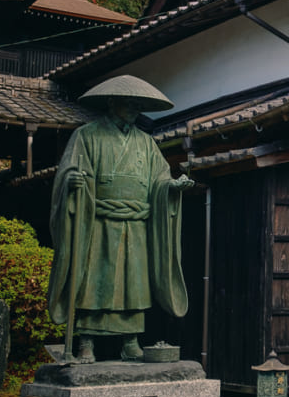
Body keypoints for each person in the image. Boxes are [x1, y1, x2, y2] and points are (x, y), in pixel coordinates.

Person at [47, 75, 193, 363]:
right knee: (92, 279)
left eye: (138, 105)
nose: (134, 109)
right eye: (129, 103)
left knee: (134, 284)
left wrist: (171, 188)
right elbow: (67, 172)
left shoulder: (146, 143)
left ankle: (131, 340)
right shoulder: (86, 135)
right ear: (111, 102)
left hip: (136, 223)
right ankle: (86, 342)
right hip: (98, 222)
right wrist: (71, 181)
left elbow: (159, 179)